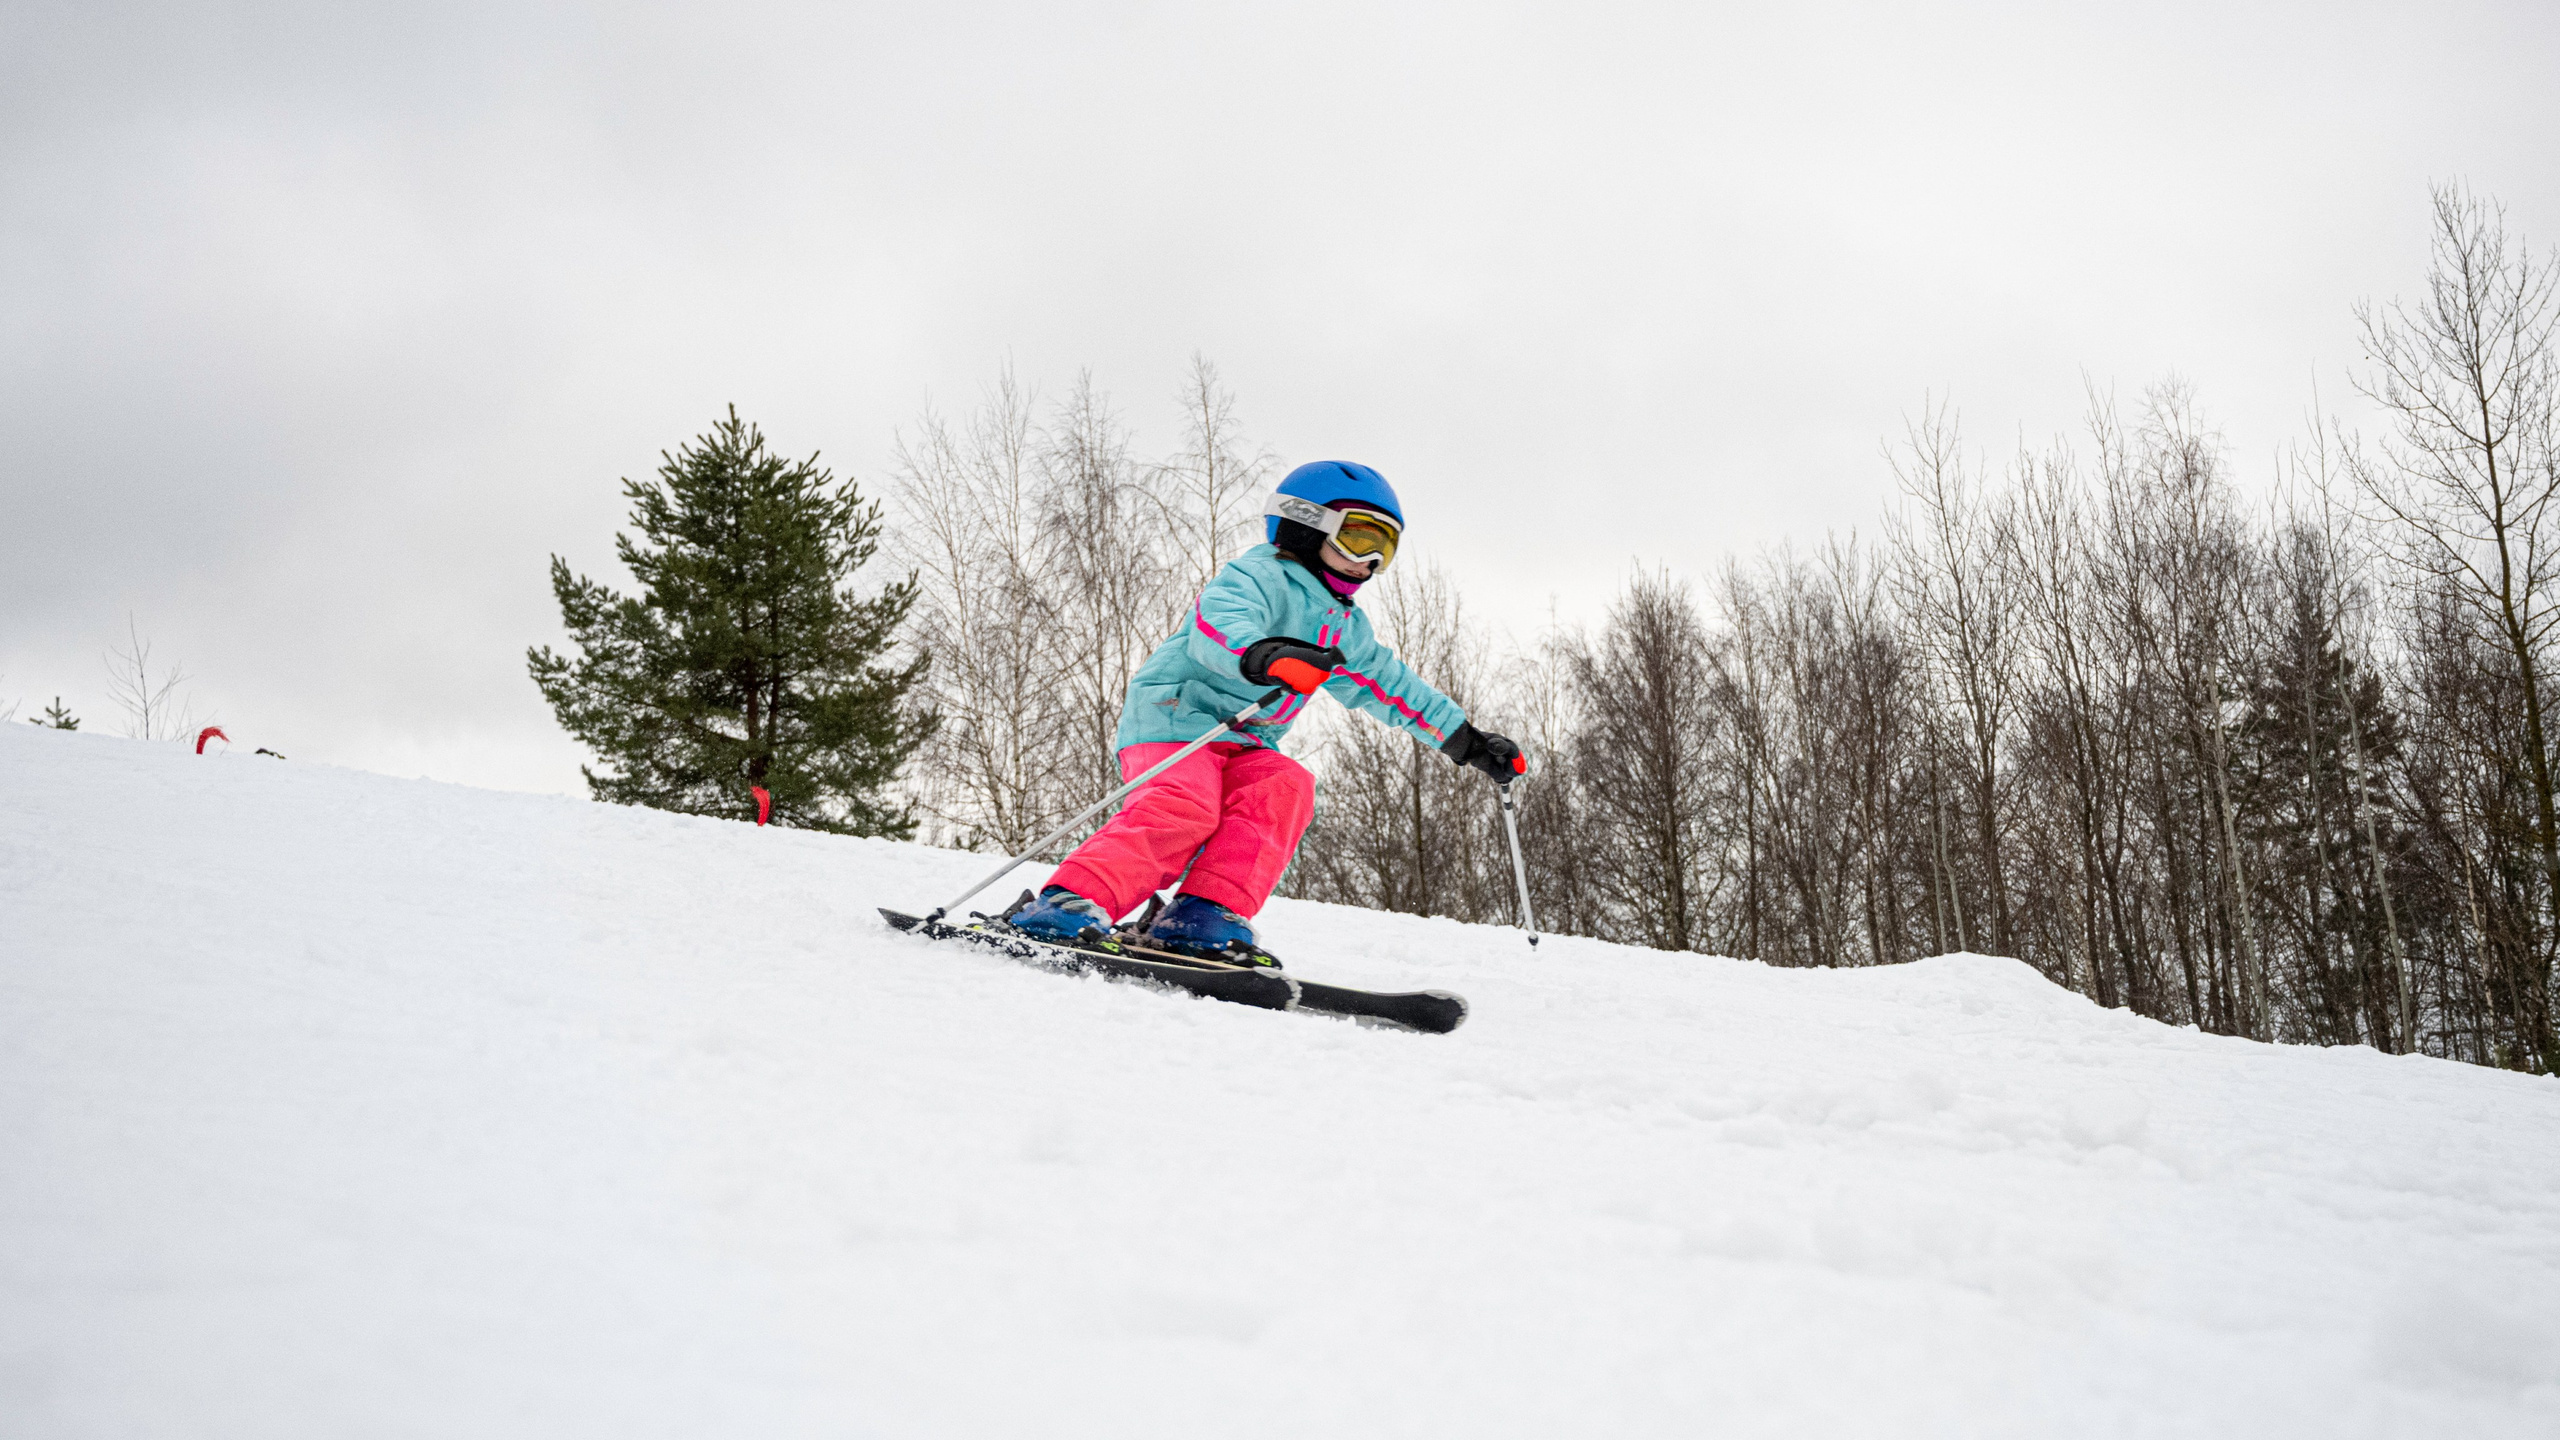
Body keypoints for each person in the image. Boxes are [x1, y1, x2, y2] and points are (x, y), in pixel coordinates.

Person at [1005, 460, 1525, 966]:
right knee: (1184, 806)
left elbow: (1394, 689)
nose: (1369, 562)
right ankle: (1070, 900)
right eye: (1360, 538)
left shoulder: (1346, 625)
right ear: (1306, 523)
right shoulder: (1256, 575)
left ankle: (1204, 913)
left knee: (1285, 787)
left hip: (1249, 739)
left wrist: (1468, 742)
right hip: (1176, 718)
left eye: (1384, 549)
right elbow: (1217, 625)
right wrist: (1266, 655)